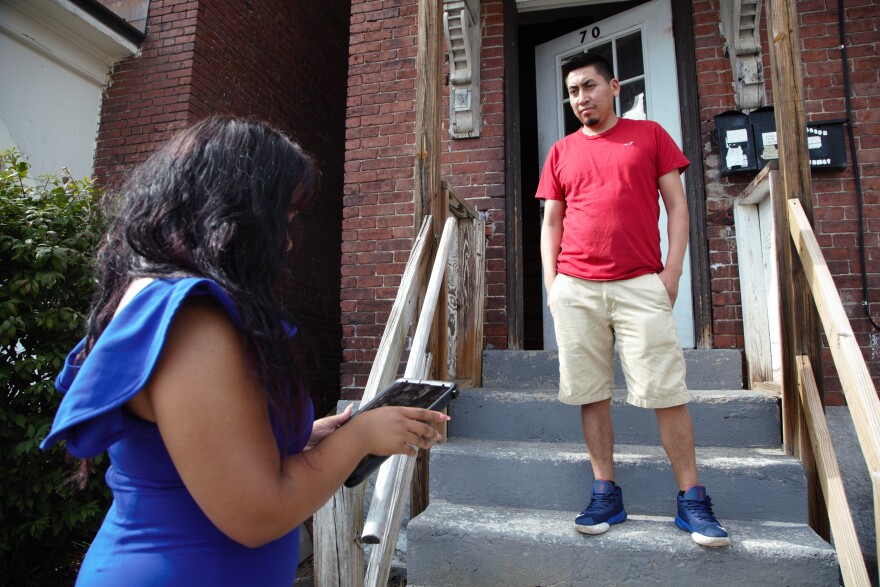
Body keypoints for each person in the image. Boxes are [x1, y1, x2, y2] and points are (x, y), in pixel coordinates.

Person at [41, 116, 449, 585]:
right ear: (234, 211)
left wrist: (305, 435)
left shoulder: (157, 298)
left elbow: (193, 448)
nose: (289, 240)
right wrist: (359, 439)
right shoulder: (194, 323)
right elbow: (257, 516)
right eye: (284, 217)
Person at [537, 52, 729, 547]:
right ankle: (606, 493)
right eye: (573, 91)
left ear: (614, 86)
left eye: (589, 86)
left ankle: (693, 501)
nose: (581, 98)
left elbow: (678, 208)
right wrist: (552, 284)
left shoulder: (650, 136)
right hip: (576, 287)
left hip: (640, 284)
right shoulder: (561, 152)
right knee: (591, 393)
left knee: (667, 393)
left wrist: (672, 272)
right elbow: (552, 223)